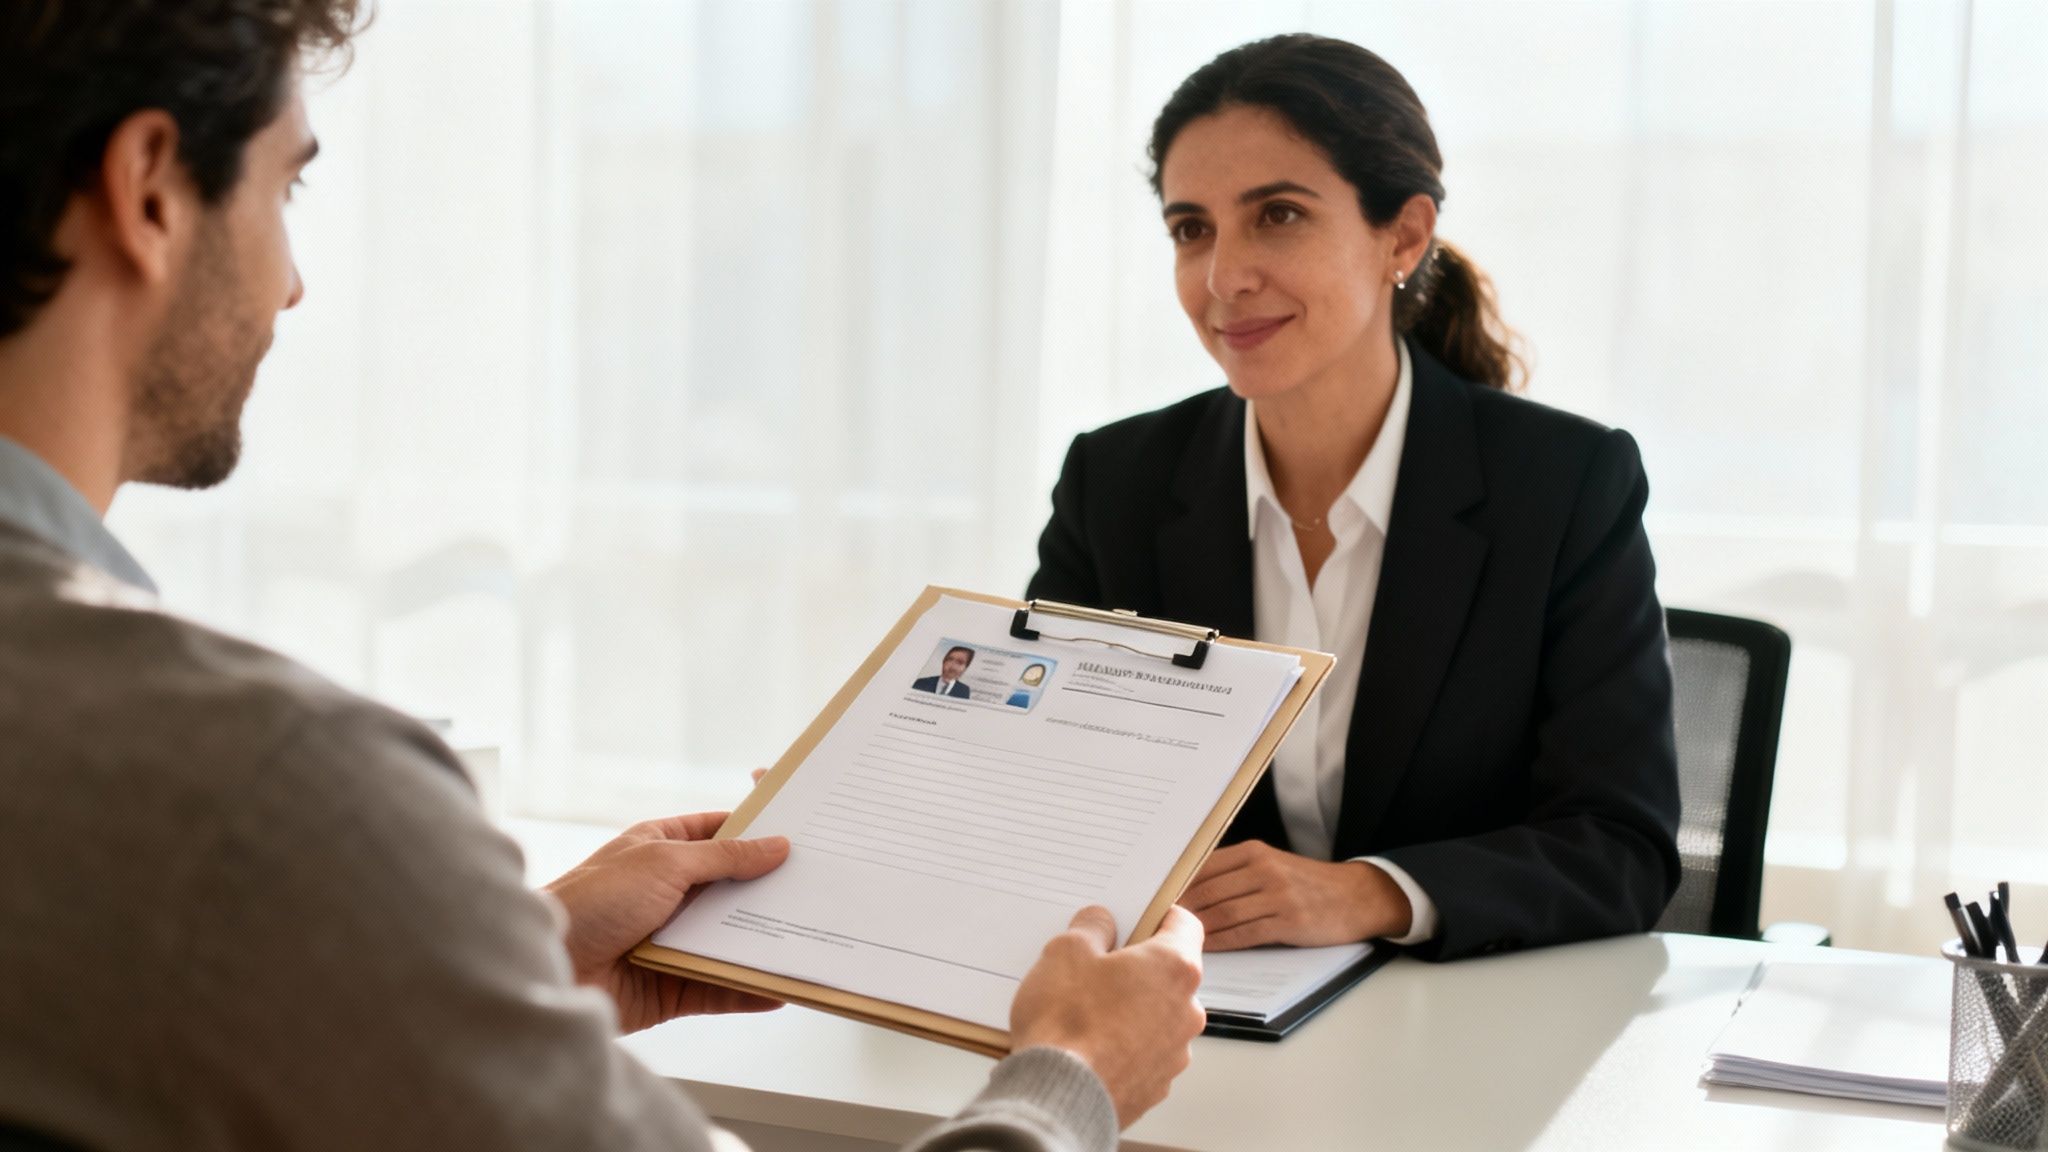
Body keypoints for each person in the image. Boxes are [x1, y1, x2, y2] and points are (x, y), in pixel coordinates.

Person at [0, 4, 1206, 1150]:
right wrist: (1073, 1077)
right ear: (150, 187)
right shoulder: (274, 792)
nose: (294, 281)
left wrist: (488, 958)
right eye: (288, 184)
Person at [1027, 34, 1681, 962]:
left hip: (1464, 1040)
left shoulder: (1565, 484)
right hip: (1196, 1028)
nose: (1224, 278)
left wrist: (1370, 894)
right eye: (1192, 229)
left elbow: (1623, 847)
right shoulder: (1117, 482)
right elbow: (1045, 783)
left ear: (1402, 237)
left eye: (1279, 215)